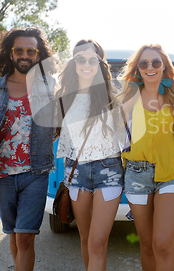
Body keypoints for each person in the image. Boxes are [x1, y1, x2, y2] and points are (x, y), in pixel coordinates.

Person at [0, 27, 56, 271]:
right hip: (2, 174)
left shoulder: (49, 86)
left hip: (36, 171)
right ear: (10, 54)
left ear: (38, 55)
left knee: (25, 236)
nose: (25, 55)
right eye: (19, 50)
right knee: (12, 233)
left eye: (30, 50)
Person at [118, 44, 174, 271]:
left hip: (171, 172)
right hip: (136, 174)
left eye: (155, 62)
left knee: (163, 244)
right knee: (147, 245)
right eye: (144, 63)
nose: (150, 67)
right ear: (138, 69)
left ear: (164, 66)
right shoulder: (128, 98)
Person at [55, 40, 125, 271]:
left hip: (109, 172)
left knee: (97, 241)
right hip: (76, 172)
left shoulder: (113, 97)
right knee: (85, 239)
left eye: (92, 59)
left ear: (100, 64)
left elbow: (126, 138)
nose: (86, 64)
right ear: (74, 63)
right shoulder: (63, 97)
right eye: (80, 59)